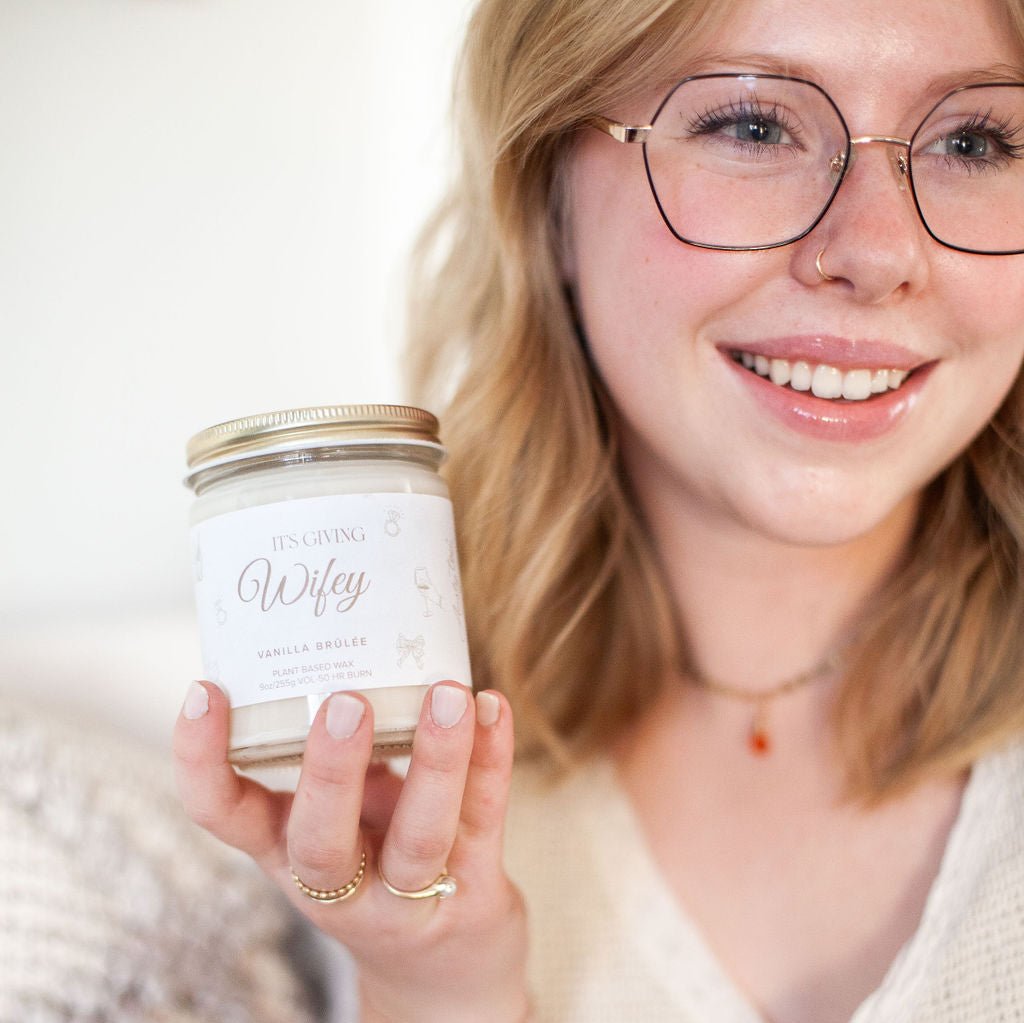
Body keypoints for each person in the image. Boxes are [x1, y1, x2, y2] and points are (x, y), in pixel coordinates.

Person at [174, 0, 1024, 1019]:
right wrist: (434, 986)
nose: (878, 252)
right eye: (753, 125)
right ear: (548, 202)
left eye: (975, 141)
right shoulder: (363, 766)